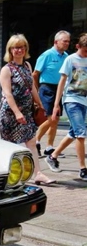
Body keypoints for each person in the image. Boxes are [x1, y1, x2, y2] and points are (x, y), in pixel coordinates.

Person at [0, 34, 55, 185]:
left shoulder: (27, 66)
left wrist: (40, 104)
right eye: (16, 47)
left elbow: (32, 88)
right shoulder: (6, 69)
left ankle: (38, 173)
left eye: (22, 47)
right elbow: (7, 94)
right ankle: (7, 174)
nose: (19, 50)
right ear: (10, 50)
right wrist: (17, 113)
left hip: (27, 111)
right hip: (10, 113)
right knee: (9, 144)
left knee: (31, 142)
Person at [44, 33, 87, 181]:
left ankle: (52, 156)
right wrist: (56, 104)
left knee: (73, 133)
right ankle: (83, 169)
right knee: (81, 133)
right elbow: (62, 81)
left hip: (84, 101)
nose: (86, 54)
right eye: (84, 51)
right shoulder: (70, 59)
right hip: (71, 100)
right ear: (78, 47)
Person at [32, 30, 71, 158]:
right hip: (46, 88)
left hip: (58, 89)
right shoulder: (46, 55)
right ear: (56, 42)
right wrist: (37, 91)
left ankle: (49, 147)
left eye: (68, 41)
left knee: (56, 120)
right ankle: (35, 140)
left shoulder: (66, 56)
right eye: (64, 41)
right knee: (51, 118)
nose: (67, 43)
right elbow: (35, 74)